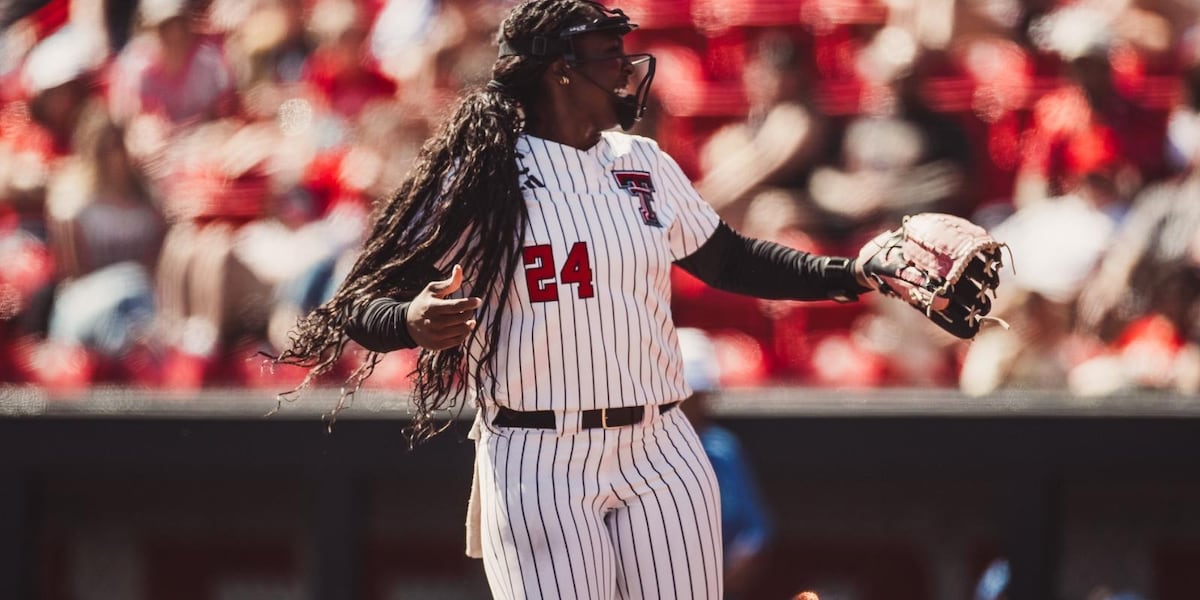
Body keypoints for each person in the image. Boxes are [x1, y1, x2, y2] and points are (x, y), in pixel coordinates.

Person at [276, 1, 882, 597]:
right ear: (561, 71)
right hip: (540, 451)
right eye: (608, 56)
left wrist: (853, 272)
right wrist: (409, 319)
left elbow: (728, 258)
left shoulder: (642, 161)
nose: (627, 69)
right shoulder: (486, 174)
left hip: (661, 444)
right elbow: (360, 299)